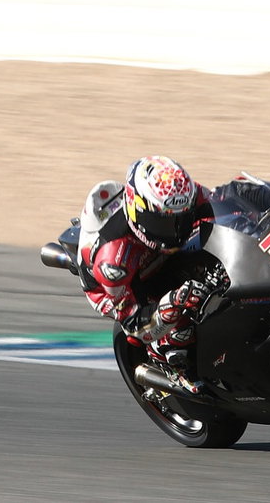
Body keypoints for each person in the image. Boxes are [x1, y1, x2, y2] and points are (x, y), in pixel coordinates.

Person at [76, 155, 214, 391]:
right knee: (180, 321)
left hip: (159, 256)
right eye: (164, 224)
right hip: (125, 287)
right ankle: (175, 364)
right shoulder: (113, 261)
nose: (176, 231)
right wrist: (171, 304)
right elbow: (134, 323)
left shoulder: (182, 198)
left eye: (183, 219)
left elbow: (223, 205)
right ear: (138, 214)